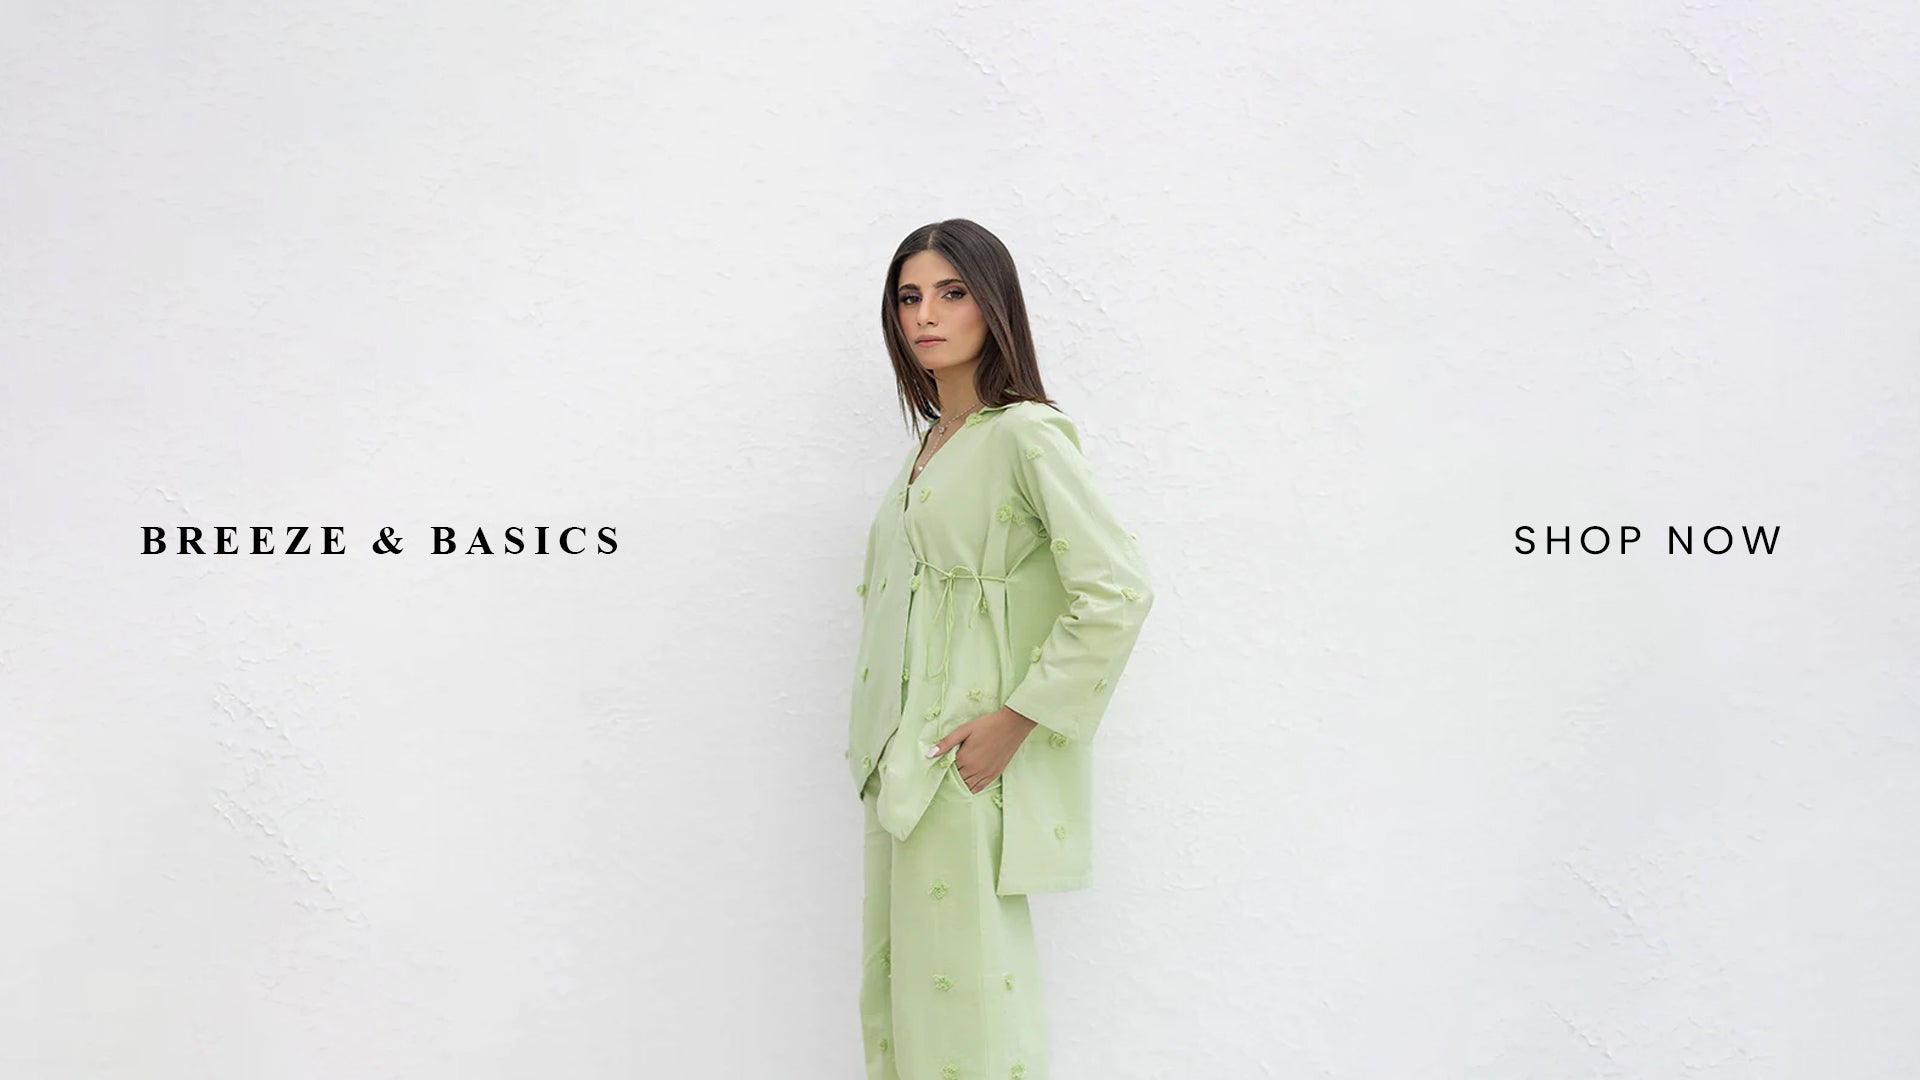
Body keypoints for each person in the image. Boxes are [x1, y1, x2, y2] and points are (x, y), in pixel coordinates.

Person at [846, 218, 1156, 1080]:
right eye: (909, 297)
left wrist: (1017, 720)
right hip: (899, 762)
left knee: (967, 1011)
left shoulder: (1024, 434)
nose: (925, 315)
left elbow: (1117, 590)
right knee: (898, 1003)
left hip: (961, 761)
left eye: (951, 293)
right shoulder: (929, 448)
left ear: (994, 305)